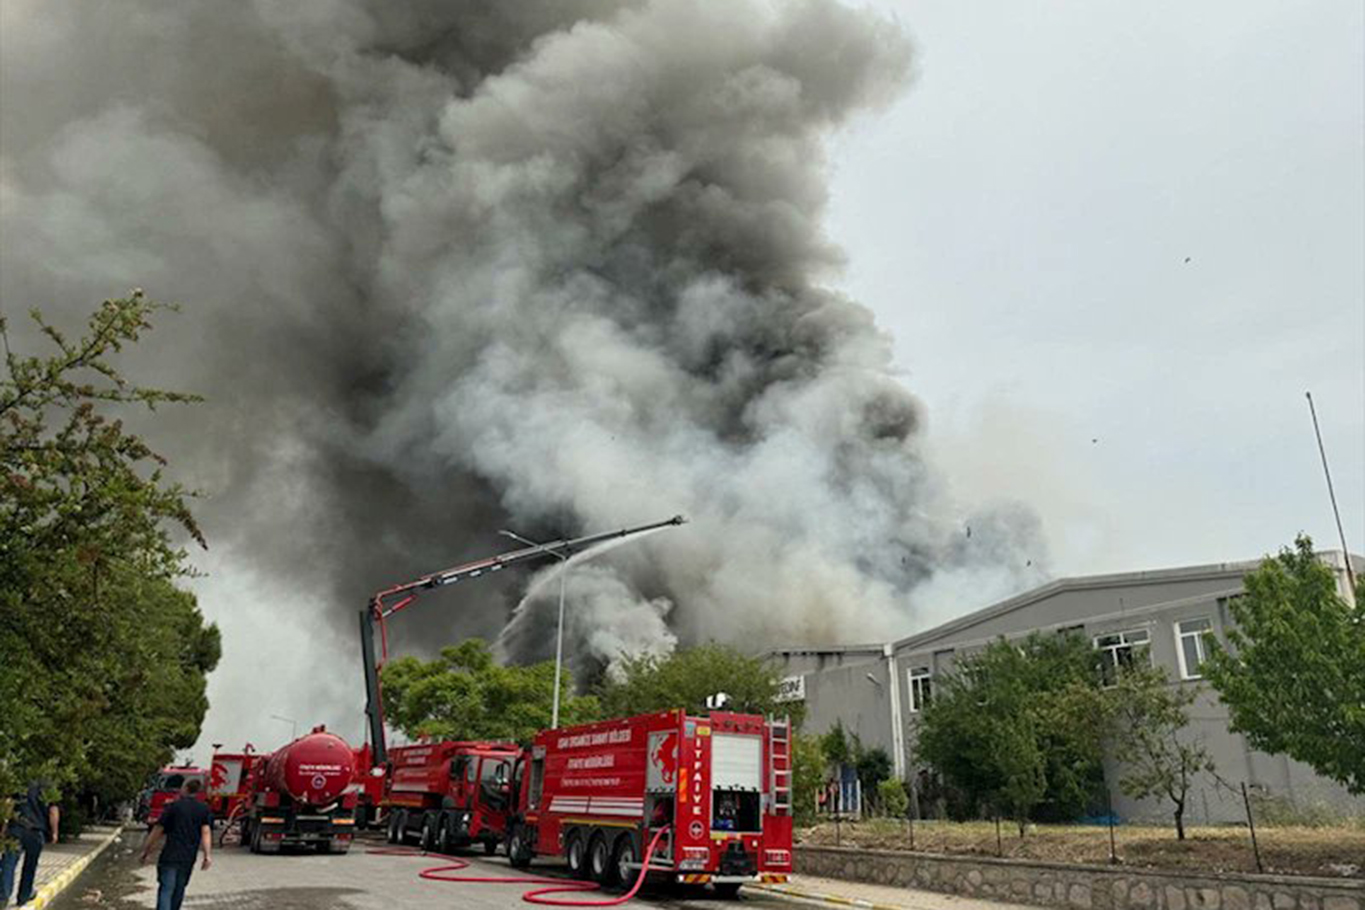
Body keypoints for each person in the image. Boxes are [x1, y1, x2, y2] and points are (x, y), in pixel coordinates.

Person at [139, 779, 212, 910]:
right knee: (179, 889)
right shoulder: (203, 809)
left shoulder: (173, 807)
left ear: (186, 789)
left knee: (166, 889)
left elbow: (158, 830)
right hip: (188, 857)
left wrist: (146, 850)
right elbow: (206, 832)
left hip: (170, 855)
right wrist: (207, 855)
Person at [1, 782, 59, 909]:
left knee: (8, 863)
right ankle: (24, 896)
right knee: (30, 866)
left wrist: (4, 826)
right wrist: (54, 832)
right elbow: (53, 811)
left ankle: (3, 897)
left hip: (15, 829)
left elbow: (8, 803)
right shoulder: (48, 785)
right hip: (35, 832)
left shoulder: (20, 779)